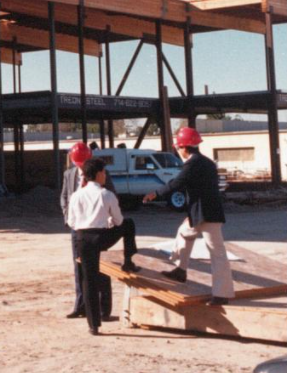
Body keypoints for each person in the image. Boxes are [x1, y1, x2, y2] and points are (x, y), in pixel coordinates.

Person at [143, 126, 234, 306]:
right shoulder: (206, 162)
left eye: (178, 148)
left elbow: (177, 183)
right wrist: (192, 215)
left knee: (217, 253)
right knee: (184, 233)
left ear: (184, 147)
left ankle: (222, 294)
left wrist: (155, 193)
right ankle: (180, 270)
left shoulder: (193, 163)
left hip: (207, 214)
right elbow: (200, 189)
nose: (178, 151)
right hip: (203, 212)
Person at [68, 157, 140, 335]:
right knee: (129, 224)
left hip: (82, 239)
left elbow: (71, 221)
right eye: (104, 172)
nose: (105, 176)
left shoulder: (76, 195)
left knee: (88, 279)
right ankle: (128, 260)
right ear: (100, 173)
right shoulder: (107, 194)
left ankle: (94, 325)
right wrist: (107, 221)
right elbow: (119, 220)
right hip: (101, 237)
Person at [60, 142, 116, 320]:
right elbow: (64, 197)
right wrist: (69, 218)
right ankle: (81, 306)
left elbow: (112, 196)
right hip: (78, 228)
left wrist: (108, 218)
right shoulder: (69, 174)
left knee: (101, 267)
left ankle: (103, 309)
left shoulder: (102, 174)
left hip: (98, 227)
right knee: (79, 267)